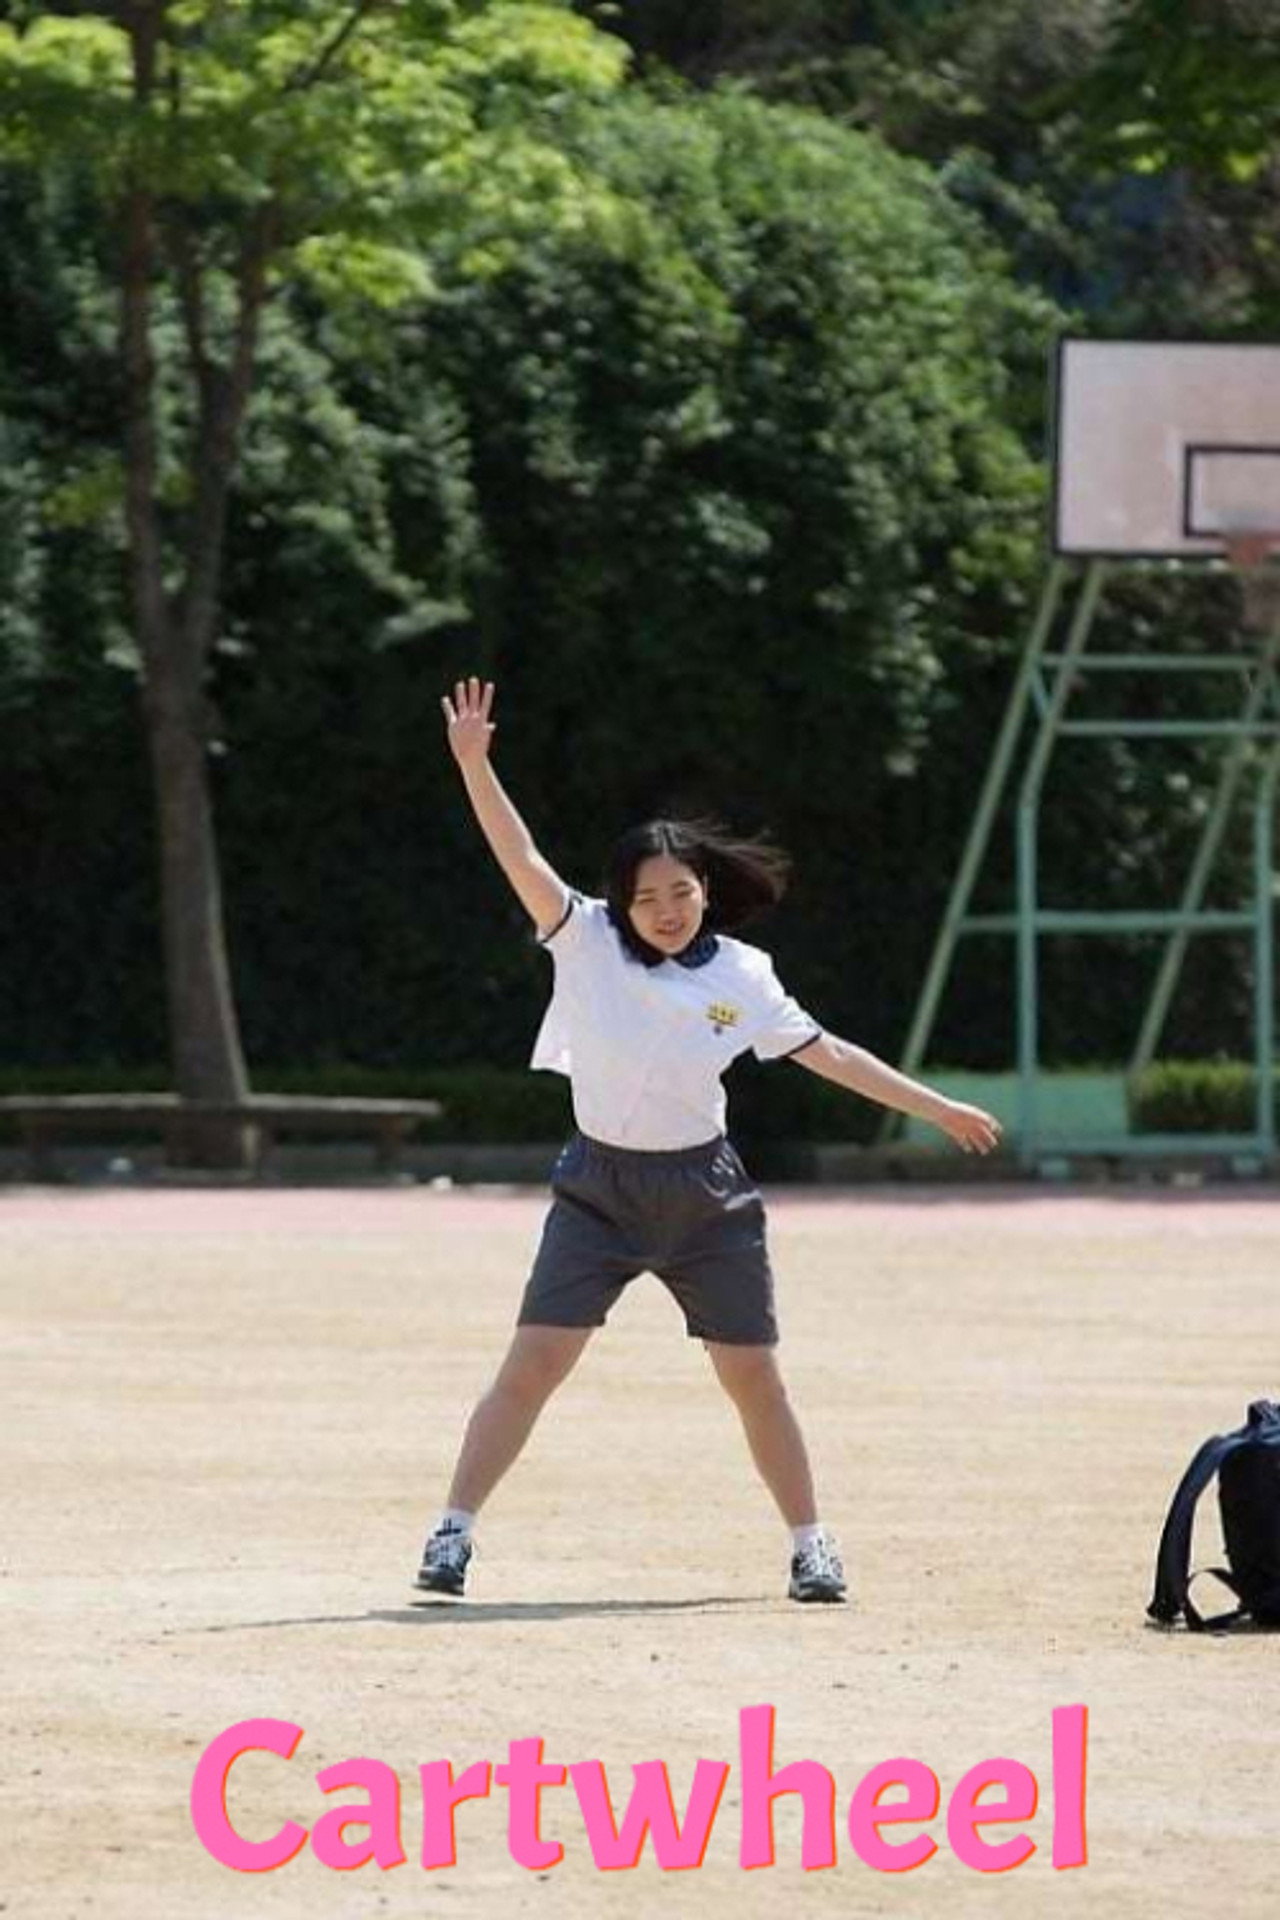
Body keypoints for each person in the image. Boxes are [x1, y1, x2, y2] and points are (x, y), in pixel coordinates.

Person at [415, 678, 1001, 1605]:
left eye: (681, 891)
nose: (666, 907)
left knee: (753, 1378)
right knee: (532, 1364)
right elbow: (519, 856)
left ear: (705, 893)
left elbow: (832, 1054)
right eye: (647, 895)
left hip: (706, 1198)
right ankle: (452, 1534)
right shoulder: (585, 938)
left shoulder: (743, 975)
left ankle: (812, 1544)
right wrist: (475, 765)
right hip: (598, 1191)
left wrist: (934, 1108)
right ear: (622, 901)